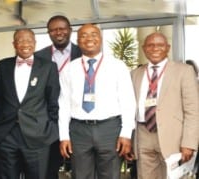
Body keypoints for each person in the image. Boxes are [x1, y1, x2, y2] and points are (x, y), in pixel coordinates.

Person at [58, 23, 136, 179]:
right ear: (78, 41)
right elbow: (64, 104)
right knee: (80, 175)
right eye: (83, 36)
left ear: (100, 39)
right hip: (79, 130)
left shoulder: (117, 66)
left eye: (93, 34)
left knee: (110, 175)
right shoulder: (69, 69)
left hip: (110, 129)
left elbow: (128, 101)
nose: (89, 39)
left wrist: (126, 133)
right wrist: (64, 136)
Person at [0, 28, 60, 179]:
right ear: (14, 44)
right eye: (20, 40)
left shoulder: (48, 67)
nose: (25, 44)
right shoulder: (2, 66)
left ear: (35, 43)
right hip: (7, 134)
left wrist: (49, 128)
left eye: (29, 40)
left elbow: (53, 101)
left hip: (38, 134)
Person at [131, 32, 199, 179]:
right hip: (143, 134)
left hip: (174, 135)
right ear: (144, 49)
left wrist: (189, 142)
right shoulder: (135, 74)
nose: (155, 48)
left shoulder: (184, 71)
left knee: (174, 176)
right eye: (150, 45)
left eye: (160, 45)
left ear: (167, 48)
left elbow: (193, 111)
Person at [35, 15, 82, 179]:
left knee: (82, 166)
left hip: (78, 118)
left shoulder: (83, 52)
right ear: (48, 33)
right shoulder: (38, 56)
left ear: (70, 30)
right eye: (53, 29)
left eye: (62, 28)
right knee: (49, 168)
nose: (58, 32)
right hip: (49, 120)